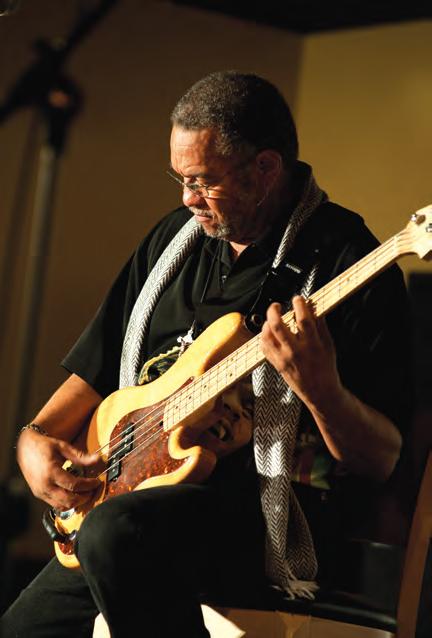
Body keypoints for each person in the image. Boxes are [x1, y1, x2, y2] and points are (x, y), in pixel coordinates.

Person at [1, 71, 412, 637]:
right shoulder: (173, 239)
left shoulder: (349, 261)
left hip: (270, 518)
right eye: (180, 179)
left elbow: (381, 458)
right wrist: (33, 439)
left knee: (119, 533)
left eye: (203, 181)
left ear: (265, 168)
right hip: (130, 501)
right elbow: (95, 368)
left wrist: (321, 390)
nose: (187, 198)